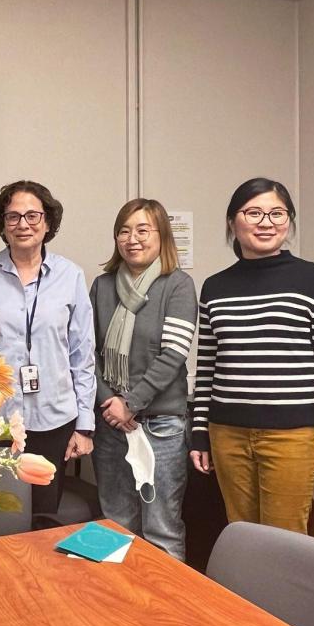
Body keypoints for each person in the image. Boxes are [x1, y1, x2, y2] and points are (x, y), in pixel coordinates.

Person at [189, 177, 314, 534]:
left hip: (292, 435)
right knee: (241, 535)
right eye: (254, 212)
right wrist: (200, 433)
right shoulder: (215, 286)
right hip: (226, 432)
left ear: (288, 221)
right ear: (233, 222)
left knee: (286, 541)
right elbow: (207, 368)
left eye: (277, 213)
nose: (266, 222)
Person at [0, 180, 96, 516]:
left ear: (48, 222)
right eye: (13, 217)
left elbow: (82, 354)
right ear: (2, 225)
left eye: (33, 216)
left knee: (44, 516)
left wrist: (84, 426)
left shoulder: (70, 276)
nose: (23, 225)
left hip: (54, 419)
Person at [90, 199, 197, 560]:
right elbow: (88, 353)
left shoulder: (178, 285)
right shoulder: (102, 287)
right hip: (111, 424)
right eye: (124, 230)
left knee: (161, 529)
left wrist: (129, 403)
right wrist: (110, 403)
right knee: (114, 523)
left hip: (161, 425)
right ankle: (118, 609)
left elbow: (173, 356)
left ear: (161, 235)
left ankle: (164, 612)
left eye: (142, 230)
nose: (132, 238)